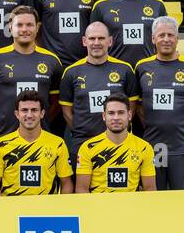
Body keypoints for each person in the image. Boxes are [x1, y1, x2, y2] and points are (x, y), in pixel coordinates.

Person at [135, 16, 184, 190]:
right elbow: (137, 107)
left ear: (177, 38)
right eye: (161, 35)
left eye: (170, 35)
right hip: (155, 147)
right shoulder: (141, 68)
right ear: (153, 39)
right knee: (154, 198)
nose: (166, 39)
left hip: (183, 147)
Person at [59, 20, 138, 165]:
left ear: (110, 41)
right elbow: (66, 112)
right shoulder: (71, 72)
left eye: (101, 38)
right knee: (81, 186)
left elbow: (131, 106)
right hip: (83, 142)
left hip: (117, 142)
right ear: (84, 41)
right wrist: (81, 130)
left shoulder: (125, 70)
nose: (96, 42)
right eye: (92, 38)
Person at [0, 5, 64, 139]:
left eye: (29, 25)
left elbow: (56, 102)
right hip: (5, 139)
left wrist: (41, 122)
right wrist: (1, 127)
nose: (24, 29)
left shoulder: (52, 61)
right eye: (19, 25)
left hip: (42, 139)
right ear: (10, 28)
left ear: (37, 28)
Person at [0, 91, 73, 196]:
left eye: (34, 110)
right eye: (24, 110)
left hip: (46, 210)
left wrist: (59, 209)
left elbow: (66, 183)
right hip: (12, 210)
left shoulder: (58, 143)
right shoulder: (1, 144)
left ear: (42, 114)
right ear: (17, 114)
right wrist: (4, 209)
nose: (29, 115)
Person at [75, 93, 157, 193]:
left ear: (129, 115)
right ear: (104, 116)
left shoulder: (144, 148)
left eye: (121, 112)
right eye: (111, 113)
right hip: (98, 207)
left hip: (131, 207)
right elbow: (81, 189)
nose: (116, 117)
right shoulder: (88, 148)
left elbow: (150, 189)